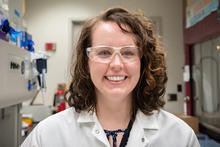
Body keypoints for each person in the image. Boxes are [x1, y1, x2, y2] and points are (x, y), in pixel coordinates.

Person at [21, 7, 200, 147]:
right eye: (104, 52)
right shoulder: (48, 136)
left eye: (128, 53)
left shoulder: (179, 136)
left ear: (143, 62)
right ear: (86, 62)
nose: (116, 64)